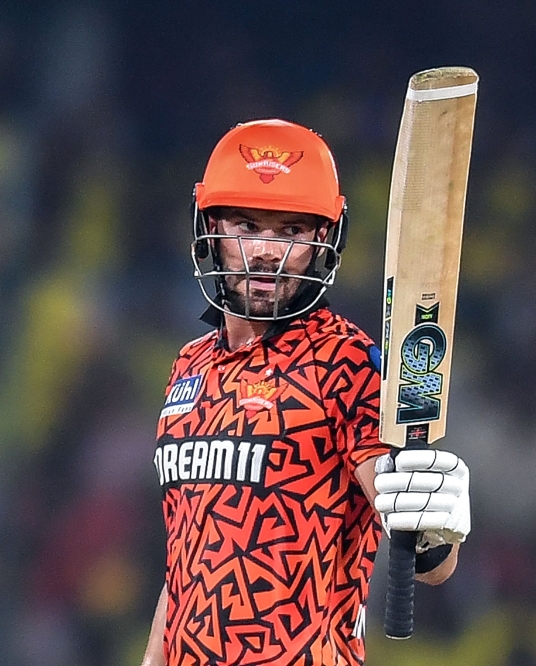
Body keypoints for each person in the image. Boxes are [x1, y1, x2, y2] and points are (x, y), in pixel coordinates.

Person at [140, 119, 471, 666]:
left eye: (291, 231)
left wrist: (435, 525)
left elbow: (426, 558)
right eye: (248, 224)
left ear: (322, 241)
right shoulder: (188, 366)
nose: (266, 252)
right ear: (212, 228)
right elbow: (184, 570)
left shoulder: (345, 362)